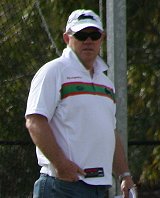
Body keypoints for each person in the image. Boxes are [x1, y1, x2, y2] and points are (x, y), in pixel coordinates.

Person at [25, 9, 135, 198]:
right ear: (67, 38)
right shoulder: (53, 71)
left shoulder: (106, 83)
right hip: (62, 186)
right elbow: (35, 121)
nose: (88, 40)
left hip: (99, 188)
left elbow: (110, 131)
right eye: (81, 35)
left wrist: (124, 174)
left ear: (102, 38)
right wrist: (61, 165)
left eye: (94, 35)